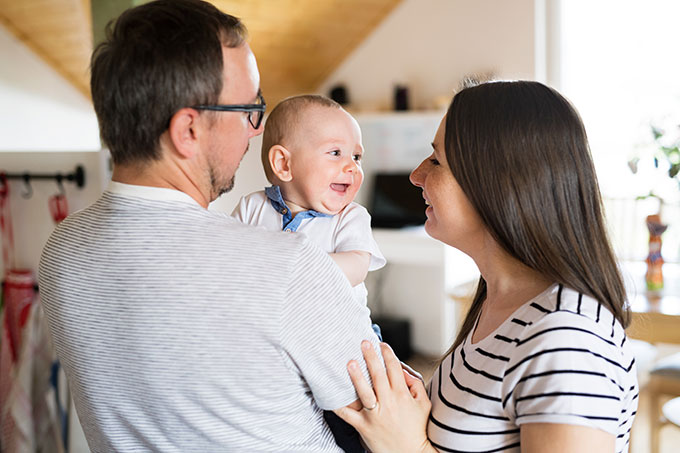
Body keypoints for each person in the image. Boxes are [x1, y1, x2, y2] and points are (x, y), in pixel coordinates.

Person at [37, 1, 380, 451]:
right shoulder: (289, 267)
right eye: (249, 108)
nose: (257, 130)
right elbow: (386, 410)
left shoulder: (61, 251)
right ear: (188, 132)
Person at [334, 80, 638, 453]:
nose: (416, 175)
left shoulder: (568, 340)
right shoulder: (503, 305)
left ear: (499, 182)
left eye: (436, 160)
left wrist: (408, 446)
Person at [232, 94, 386, 452]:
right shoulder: (253, 208)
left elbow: (357, 266)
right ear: (284, 164)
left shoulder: (349, 217)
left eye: (357, 156)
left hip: (346, 349)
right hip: (276, 348)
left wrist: (286, 266)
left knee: (356, 426)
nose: (352, 166)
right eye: (336, 153)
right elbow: (235, 265)